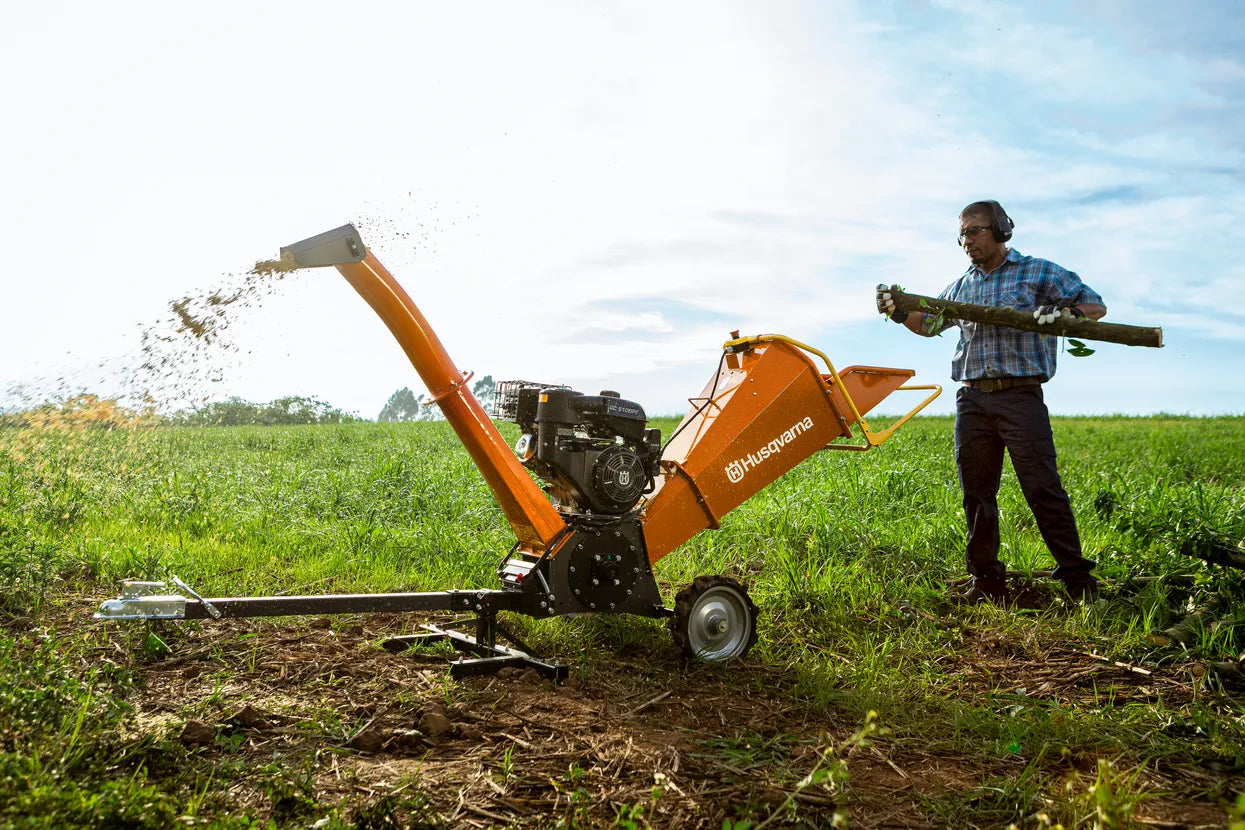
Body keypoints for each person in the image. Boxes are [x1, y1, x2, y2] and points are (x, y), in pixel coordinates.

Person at [875, 200, 1106, 605]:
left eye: (974, 230)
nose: (967, 240)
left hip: (1020, 397)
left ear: (1000, 229)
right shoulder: (961, 286)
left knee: (1043, 488)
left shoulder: (1038, 271)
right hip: (972, 400)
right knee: (977, 494)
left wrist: (1065, 312)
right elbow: (928, 325)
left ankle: (1078, 583)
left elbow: (1095, 305)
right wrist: (898, 312)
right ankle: (986, 582)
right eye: (961, 234)